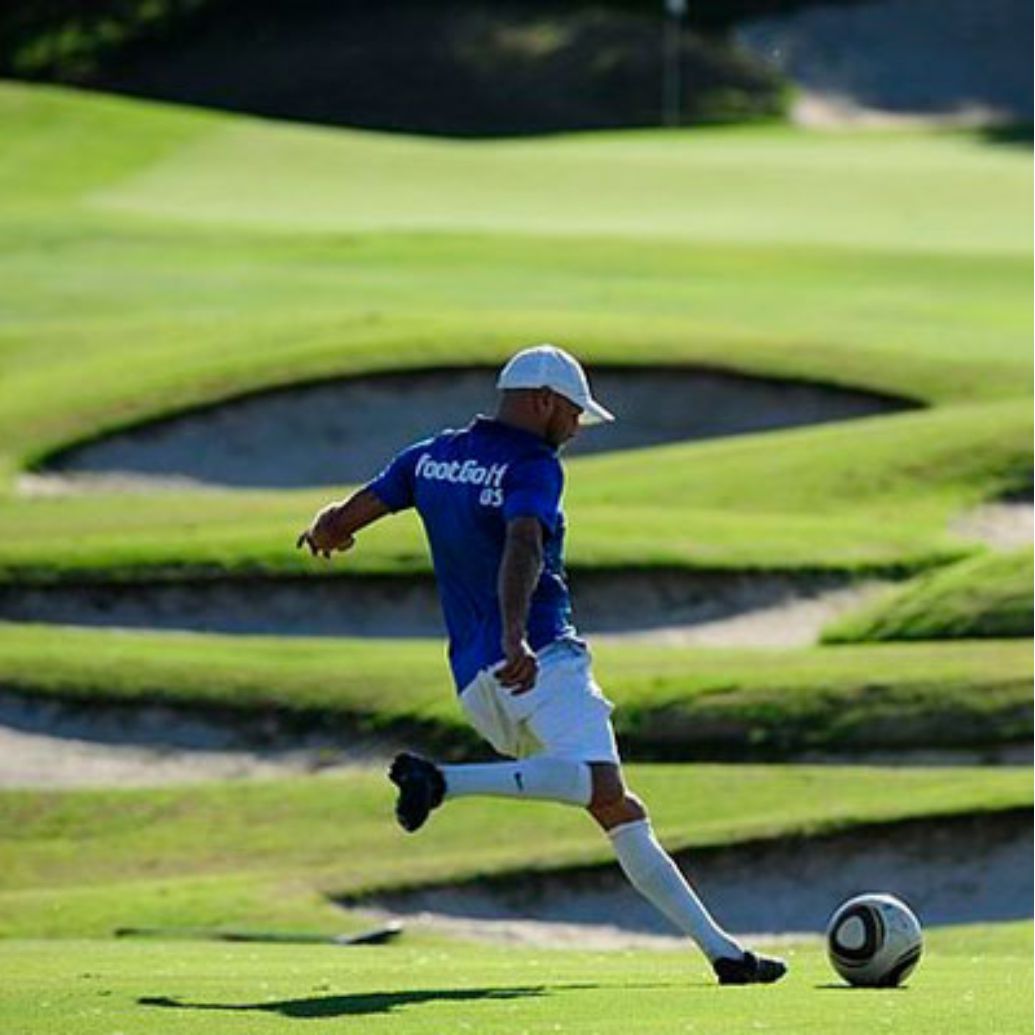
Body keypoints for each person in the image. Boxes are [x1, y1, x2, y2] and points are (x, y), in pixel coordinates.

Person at [297, 344, 786, 985]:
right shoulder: (532, 463)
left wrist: (330, 526)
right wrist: (515, 636)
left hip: (476, 682)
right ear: (543, 403)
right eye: (574, 414)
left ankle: (726, 956)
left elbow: (358, 508)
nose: (577, 429)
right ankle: (443, 781)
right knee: (604, 788)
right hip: (538, 657)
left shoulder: (432, 455)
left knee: (616, 808)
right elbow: (524, 541)